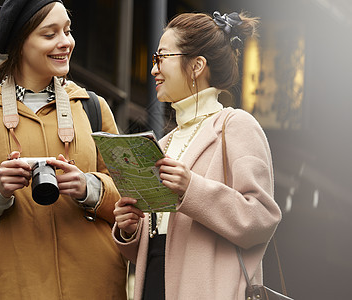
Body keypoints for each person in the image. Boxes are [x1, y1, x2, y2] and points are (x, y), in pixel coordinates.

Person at [0, 0, 127, 299]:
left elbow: (129, 198)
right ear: (20, 42)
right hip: (15, 288)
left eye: (67, 30)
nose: (66, 42)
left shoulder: (93, 107)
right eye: (50, 34)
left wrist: (88, 187)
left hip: (98, 285)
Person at [112, 11, 282, 299]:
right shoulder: (164, 144)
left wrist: (191, 188)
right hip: (155, 283)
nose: (154, 69)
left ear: (197, 66)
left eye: (161, 57)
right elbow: (157, 245)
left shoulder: (236, 125)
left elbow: (261, 218)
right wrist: (130, 228)